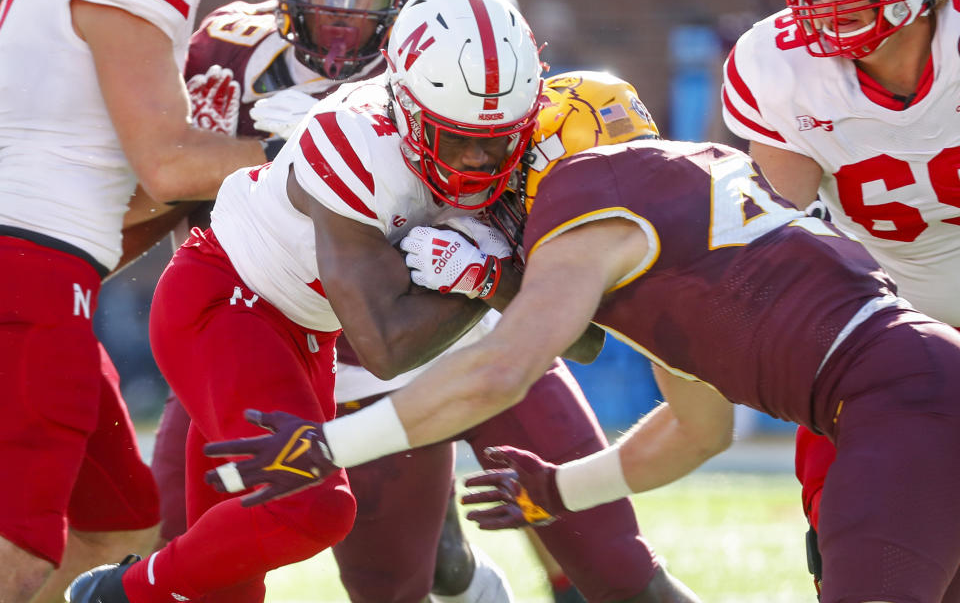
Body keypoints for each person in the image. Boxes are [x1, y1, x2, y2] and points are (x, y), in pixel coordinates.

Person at [200, 69, 960, 602]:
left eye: (500, 153)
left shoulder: (587, 195)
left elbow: (498, 371)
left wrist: (331, 447)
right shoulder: (685, 221)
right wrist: (559, 490)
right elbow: (700, 432)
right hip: (921, 385)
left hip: (897, 407)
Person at [64, 0, 565, 603]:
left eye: (500, 138)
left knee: (231, 579)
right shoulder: (353, 136)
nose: (480, 160)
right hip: (226, 306)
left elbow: (582, 327)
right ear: (404, 104)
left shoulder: (535, 133)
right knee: (314, 510)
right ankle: (121, 593)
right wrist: (487, 276)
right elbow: (385, 345)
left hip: (302, 333)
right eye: (454, 134)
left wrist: (516, 265)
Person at [0, 0, 270, 601]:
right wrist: (323, 144)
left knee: (117, 525)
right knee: (20, 553)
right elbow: (168, 166)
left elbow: (127, 178)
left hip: (41, 270)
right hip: (33, 273)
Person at [719, 0, 960, 592]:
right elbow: (776, 242)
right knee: (861, 561)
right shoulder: (781, 66)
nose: (828, 1)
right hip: (883, 337)